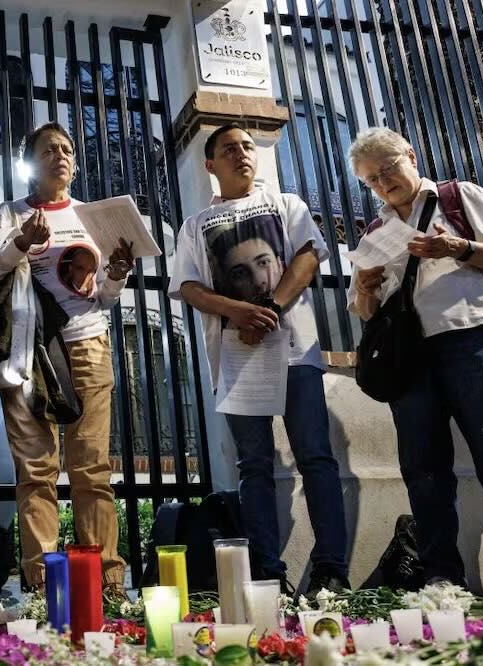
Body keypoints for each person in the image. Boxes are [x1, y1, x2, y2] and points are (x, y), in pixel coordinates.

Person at [346, 126, 483, 601]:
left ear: (410, 154)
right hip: (410, 358)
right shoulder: (375, 233)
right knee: (423, 468)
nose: (384, 184)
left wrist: (457, 248)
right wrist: (364, 290)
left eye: (388, 169)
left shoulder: (458, 196)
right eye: (372, 180)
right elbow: (364, 312)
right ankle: (442, 576)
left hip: (474, 338)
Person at [170, 123, 350, 598]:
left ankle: (332, 567)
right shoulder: (195, 225)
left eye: (247, 146)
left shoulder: (287, 204)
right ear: (210, 165)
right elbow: (188, 286)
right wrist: (235, 310)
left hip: (295, 350)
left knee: (316, 457)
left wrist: (268, 311)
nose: (241, 154)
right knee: (253, 465)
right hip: (235, 355)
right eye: (229, 149)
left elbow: (308, 258)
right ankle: (267, 572)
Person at [0, 122, 134, 596]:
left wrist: (118, 275)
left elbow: (103, 297)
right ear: (31, 162)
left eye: (67, 149)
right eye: (48, 149)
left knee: (91, 468)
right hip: (26, 349)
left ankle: (105, 582)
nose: (60, 155)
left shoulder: (93, 216)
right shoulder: (11, 212)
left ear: (75, 163)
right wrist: (19, 244)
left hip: (86, 344)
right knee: (37, 469)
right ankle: (45, 585)